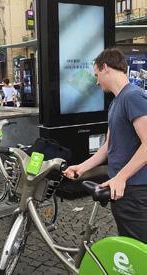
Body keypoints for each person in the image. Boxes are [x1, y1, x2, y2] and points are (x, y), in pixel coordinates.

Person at [63, 48, 147, 243]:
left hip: (135, 190)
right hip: (123, 190)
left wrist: (121, 177)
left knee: (139, 252)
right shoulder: (117, 102)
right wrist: (82, 168)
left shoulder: (132, 97)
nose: (96, 81)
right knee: (130, 246)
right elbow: (109, 146)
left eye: (97, 74)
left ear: (106, 68)